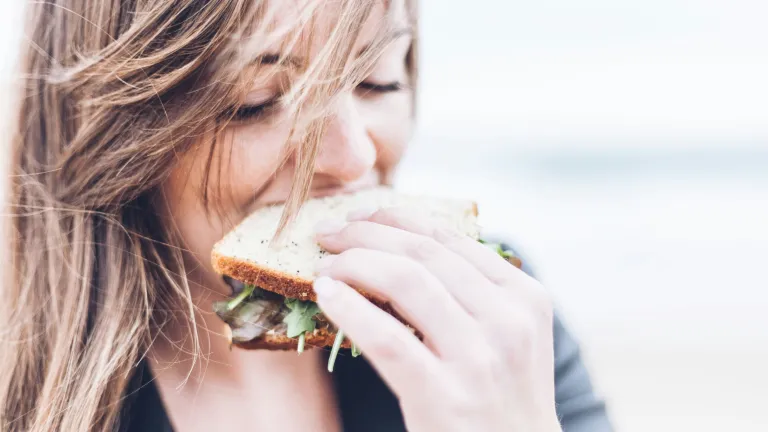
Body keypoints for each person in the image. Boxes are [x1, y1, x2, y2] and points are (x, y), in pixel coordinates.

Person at [0, 1, 613, 431]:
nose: (354, 158)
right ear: (114, 131)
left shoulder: (494, 323)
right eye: (254, 103)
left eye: (377, 83)